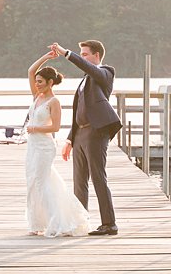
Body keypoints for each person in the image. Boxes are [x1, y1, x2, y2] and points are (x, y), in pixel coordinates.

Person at [51, 39, 122, 236]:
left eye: (85, 54)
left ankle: (109, 224)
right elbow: (79, 111)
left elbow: (89, 68)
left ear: (96, 56)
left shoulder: (106, 73)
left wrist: (67, 53)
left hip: (96, 132)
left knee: (98, 177)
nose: (82, 57)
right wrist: (70, 139)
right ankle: (79, 222)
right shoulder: (84, 80)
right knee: (79, 181)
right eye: (81, 54)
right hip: (80, 133)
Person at [23, 49, 91, 237]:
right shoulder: (37, 96)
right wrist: (46, 57)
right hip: (32, 146)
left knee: (41, 182)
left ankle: (57, 222)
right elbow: (30, 71)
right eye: (36, 82)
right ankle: (36, 223)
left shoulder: (54, 102)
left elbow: (55, 127)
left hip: (45, 146)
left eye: (40, 82)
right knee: (33, 182)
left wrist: (35, 128)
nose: (36, 84)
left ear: (50, 83)